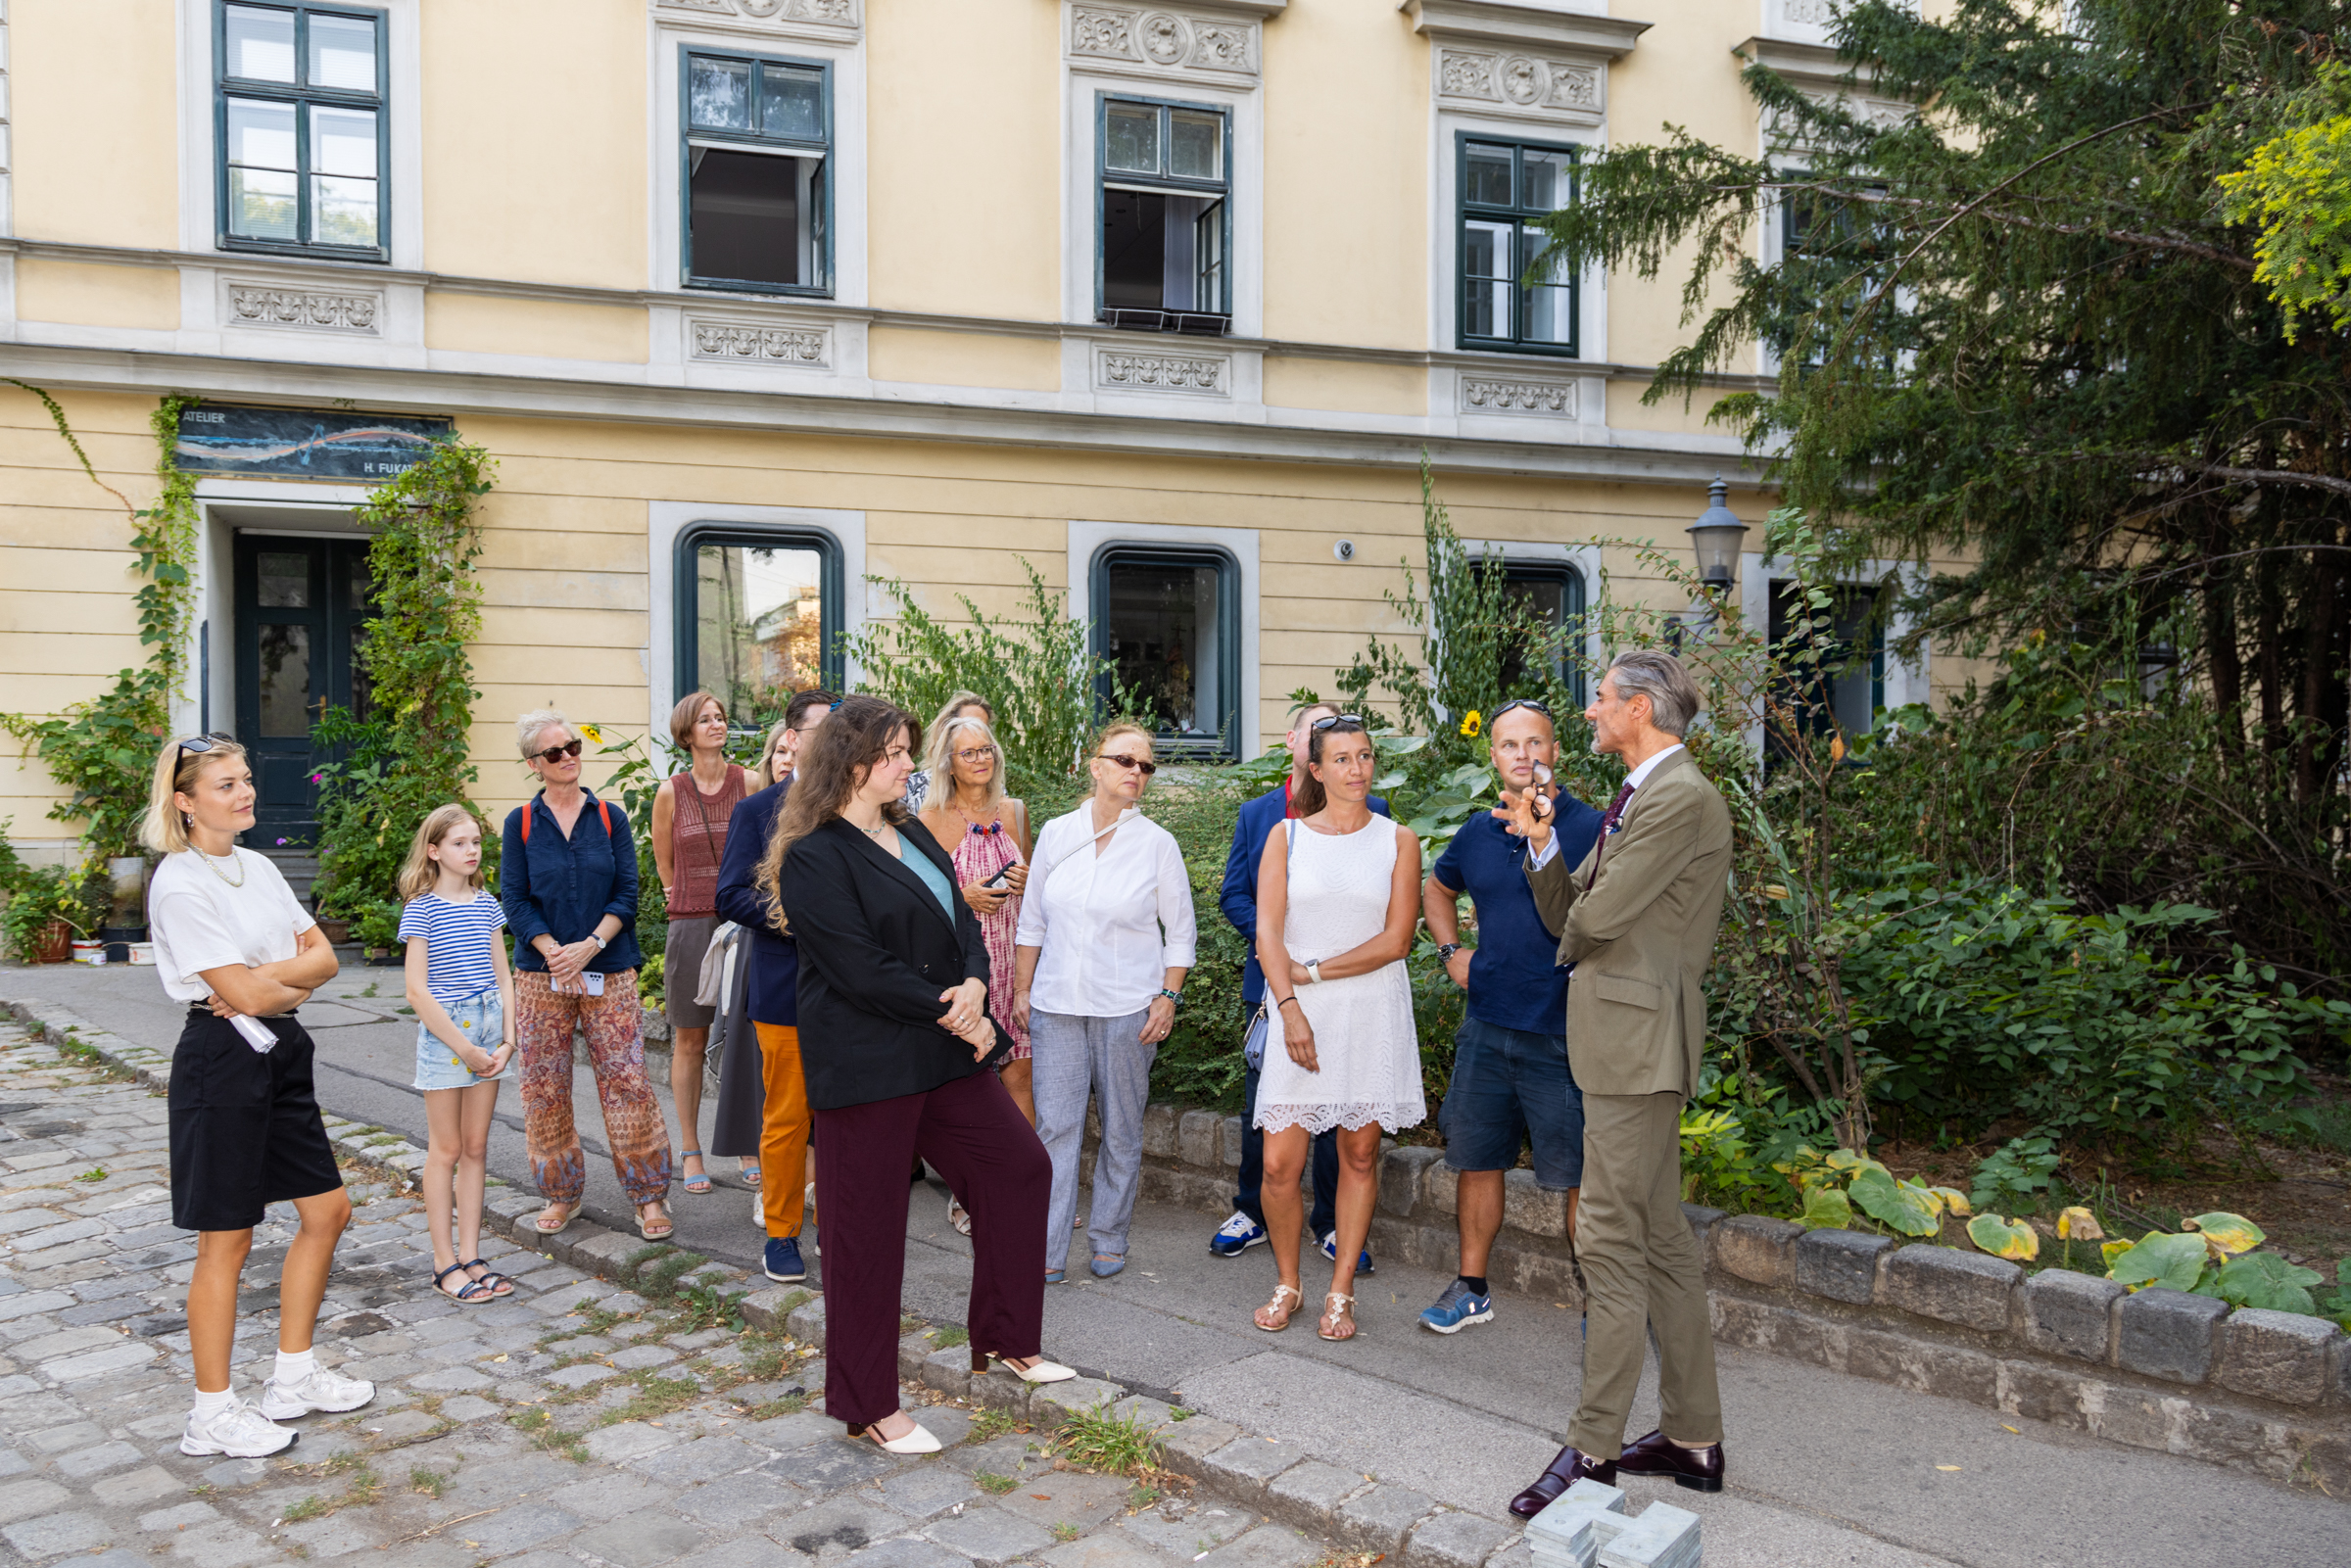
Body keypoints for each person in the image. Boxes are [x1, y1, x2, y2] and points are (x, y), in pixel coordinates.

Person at [763, 695, 1073, 1452]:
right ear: (855, 762)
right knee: (865, 1236)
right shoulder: (814, 854)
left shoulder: (910, 829)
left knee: (1019, 1168)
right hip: (869, 1063)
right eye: (897, 752)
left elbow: (963, 923)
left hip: (942, 1049)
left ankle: (1004, 1338)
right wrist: (956, 1006)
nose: (909, 763)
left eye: (907, 751)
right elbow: (857, 967)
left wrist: (974, 985)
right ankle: (867, 1403)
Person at [1500, 651, 1734, 1514]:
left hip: (1638, 1046)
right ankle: (1692, 1435)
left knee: (1606, 1236)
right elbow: (1570, 911)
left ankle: (1593, 1449)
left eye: (1600, 700)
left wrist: (1581, 912)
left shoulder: (1678, 796)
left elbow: (1595, 918)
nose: (1589, 713)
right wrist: (1540, 838)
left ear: (1639, 708)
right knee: (1662, 1235)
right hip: (1623, 1042)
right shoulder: (1643, 792)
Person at [141, 734, 373, 1458]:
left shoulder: (260, 865)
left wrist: (269, 978)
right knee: (228, 1236)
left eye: (244, 780)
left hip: (282, 1050)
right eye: (225, 784)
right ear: (184, 801)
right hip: (221, 1061)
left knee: (328, 1209)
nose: (244, 792)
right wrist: (279, 976)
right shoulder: (179, 881)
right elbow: (236, 992)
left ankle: (293, 1376)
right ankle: (210, 1412)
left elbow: (328, 957)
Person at [1418, 699, 1606, 1333]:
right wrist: (1451, 952)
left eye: (1536, 742)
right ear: (1493, 755)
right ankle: (1472, 1286)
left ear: (1556, 753)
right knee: (1478, 1158)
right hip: (1488, 1027)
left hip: (1566, 1032)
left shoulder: (1597, 828)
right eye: (1509, 744)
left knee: (1582, 1173)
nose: (1523, 755)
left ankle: (1601, 1302)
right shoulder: (1476, 831)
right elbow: (1437, 887)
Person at [1248, 714, 1422, 1341]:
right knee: (1278, 1164)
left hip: (1370, 1010)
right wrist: (1291, 1005)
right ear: (1315, 769)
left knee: (1359, 1152)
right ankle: (1289, 1281)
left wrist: (1314, 974)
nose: (1357, 769)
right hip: (1298, 1011)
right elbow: (1268, 933)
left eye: (1366, 756)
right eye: (1342, 759)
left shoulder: (1398, 840)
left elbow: (1397, 940)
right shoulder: (1286, 839)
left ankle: (1341, 1289)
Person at [1012, 722, 1196, 1281]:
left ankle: (1110, 1235)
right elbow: (1033, 920)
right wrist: (1022, 990)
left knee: (1121, 1129)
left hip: (1128, 1010)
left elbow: (1181, 932)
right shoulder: (1056, 833)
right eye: (1124, 761)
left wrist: (1167, 997)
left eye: (1146, 766)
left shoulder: (1157, 844)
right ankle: (1045, 1253)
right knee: (1055, 1130)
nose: (1136, 773)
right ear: (1096, 767)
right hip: (1057, 1005)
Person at [1211, 700, 1388, 1274]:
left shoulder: (1381, 818)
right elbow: (1235, 895)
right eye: (1324, 736)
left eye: (1356, 747)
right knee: (1265, 1111)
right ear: (1301, 748)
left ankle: (1332, 1224)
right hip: (1276, 987)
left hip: (1352, 988)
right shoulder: (1260, 815)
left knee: (1343, 1116)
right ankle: (1252, 1213)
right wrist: (1278, 954)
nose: (1347, 760)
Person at [501, 711, 674, 1241]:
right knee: (543, 1086)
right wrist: (554, 950)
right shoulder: (521, 823)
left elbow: (627, 891)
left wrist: (592, 944)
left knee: (627, 1081)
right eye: (554, 752)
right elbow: (514, 897)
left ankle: (649, 1197)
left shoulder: (610, 818)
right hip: (540, 976)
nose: (568, 756)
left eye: (572, 746)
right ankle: (560, 1193)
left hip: (610, 969)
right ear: (535, 764)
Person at [715, 686, 836, 1284]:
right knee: (787, 1119)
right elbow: (730, 894)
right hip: (784, 986)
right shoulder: (757, 810)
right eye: (823, 731)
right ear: (791, 738)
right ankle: (783, 1234)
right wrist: (795, 918)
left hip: (852, 995)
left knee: (846, 1117)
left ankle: (844, 1226)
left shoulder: (863, 811)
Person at [397, 804, 519, 1305]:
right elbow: (416, 992)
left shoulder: (487, 903)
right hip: (450, 1035)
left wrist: (508, 1040)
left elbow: (504, 975)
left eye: (476, 842)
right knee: (445, 1150)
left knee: (476, 1149)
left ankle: (471, 1254)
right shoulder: (422, 908)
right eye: (459, 843)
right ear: (434, 851)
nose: (471, 851)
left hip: (490, 1028)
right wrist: (465, 1048)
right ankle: (443, 1261)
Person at [919, 713, 1033, 1237]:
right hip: (965, 965)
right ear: (948, 761)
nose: (982, 759)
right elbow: (918, 901)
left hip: (1016, 957)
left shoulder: (1014, 811)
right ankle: (967, 1193)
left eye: (987, 749)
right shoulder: (931, 817)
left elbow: (1035, 894)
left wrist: (1026, 879)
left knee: (1020, 1075)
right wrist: (964, 895)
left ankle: (1023, 1186)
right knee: (968, 1083)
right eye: (969, 752)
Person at [650, 689, 752, 1195]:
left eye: (720, 718)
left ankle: (746, 1143)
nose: (716, 726)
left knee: (746, 1036)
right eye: (705, 720)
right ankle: (690, 1148)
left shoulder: (749, 782)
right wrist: (683, 893)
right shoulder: (671, 791)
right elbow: (664, 862)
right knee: (689, 1039)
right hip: (691, 922)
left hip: (744, 920)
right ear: (686, 733)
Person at [904, 690, 992, 810]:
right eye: (964, 724)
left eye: (980, 727)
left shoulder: (995, 791)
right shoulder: (911, 788)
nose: (973, 732)